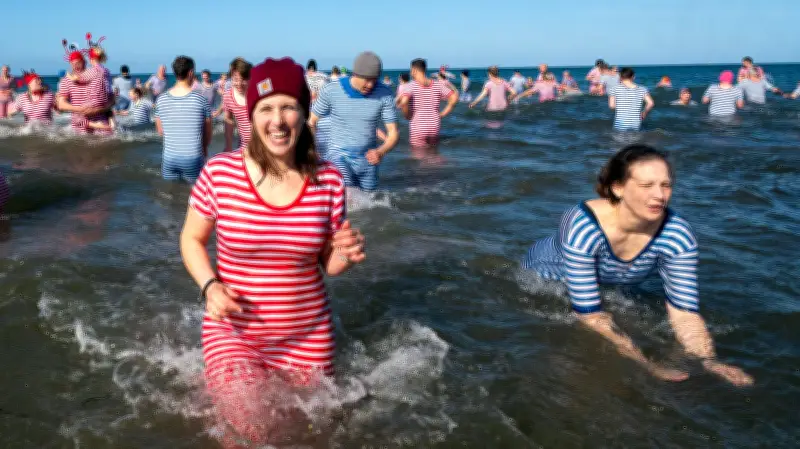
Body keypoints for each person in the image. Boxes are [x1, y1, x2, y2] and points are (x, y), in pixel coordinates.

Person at [179, 57, 366, 446]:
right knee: (248, 432)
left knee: (312, 432)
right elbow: (191, 239)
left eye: (288, 107)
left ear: (304, 112)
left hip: (308, 334)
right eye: (266, 108)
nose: (277, 120)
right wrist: (210, 286)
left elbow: (328, 265)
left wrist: (346, 254)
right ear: (251, 114)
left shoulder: (329, 179)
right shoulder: (220, 173)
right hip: (235, 332)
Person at [522, 145, 754, 387]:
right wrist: (644, 363)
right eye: (646, 185)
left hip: (610, 280)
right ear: (618, 188)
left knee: (631, 319)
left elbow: (684, 312)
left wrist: (710, 361)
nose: (659, 195)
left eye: (666, 185)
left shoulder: (677, 236)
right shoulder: (583, 226)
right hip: (548, 275)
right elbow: (589, 313)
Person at [308, 51, 399, 192]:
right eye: (366, 79)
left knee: (369, 201)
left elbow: (393, 133)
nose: (370, 85)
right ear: (355, 74)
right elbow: (311, 122)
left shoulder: (385, 93)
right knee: (347, 195)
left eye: (374, 80)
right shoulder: (332, 89)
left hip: (368, 159)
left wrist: (381, 151)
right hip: (338, 155)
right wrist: (313, 150)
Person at [154, 56, 212, 182]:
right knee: (194, 192)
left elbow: (160, 131)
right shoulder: (201, 100)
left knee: (170, 191)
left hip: (169, 159)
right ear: (191, 73)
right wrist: (204, 150)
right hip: (193, 158)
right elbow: (207, 134)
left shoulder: (161, 100)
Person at [397, 58, 458, 149]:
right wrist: (442, 114)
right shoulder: (438, 84)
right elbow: (454, 97)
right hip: (434, 125)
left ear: (414, 70)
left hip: (418, 127)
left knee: (417, 153)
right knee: (433, 151)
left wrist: (407, 116)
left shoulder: (410, 85)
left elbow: (404, 101)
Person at [57, 44, 115, 135]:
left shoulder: (93, 74)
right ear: (70, 64)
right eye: (73, 63)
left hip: (102, 126)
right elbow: (61, 105)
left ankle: (111, 123)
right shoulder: (66, 81)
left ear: (85, 62)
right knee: (77, 118)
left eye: (78, 63)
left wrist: (98, 110)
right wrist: (81, 109)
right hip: (80, 130)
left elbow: (112, 99)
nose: (75, 66)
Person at [222, 57, 253, 152]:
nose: (239, 84)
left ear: (250, 78)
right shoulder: (228, 96)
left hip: (265, 146)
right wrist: (228, 145)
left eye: (243, 79)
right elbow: (228, 119)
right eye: (235, 79)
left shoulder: (259, 91)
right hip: (244, 147)